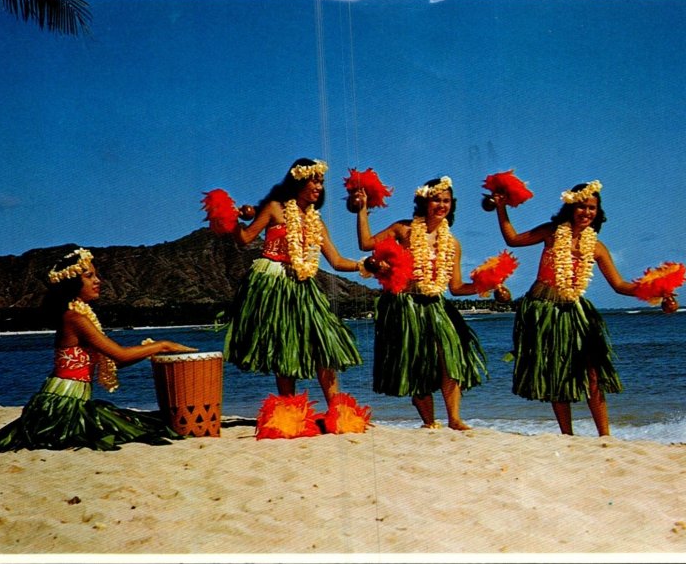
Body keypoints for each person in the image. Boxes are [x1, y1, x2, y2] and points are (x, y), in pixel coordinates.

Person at [0, 248, 196, 455]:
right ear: (73, 282)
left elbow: (115, 362)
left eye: (96, 274)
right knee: (138, 428)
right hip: (63, 404)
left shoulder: (78, 315)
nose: (98, 280)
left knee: (137, 424)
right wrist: (163, 345)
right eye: (89, 276)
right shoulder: (75, 318)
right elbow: (119, 355)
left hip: (69, 399)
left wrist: (146, 350)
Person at [491, 180, 637, 437]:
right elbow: (513, 240)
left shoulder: (597, 247)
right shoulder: (551, 231)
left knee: (593, 372)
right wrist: (501, 208)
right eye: (581, 207)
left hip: (575, 312)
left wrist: (655, 290)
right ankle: (567, 435)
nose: (587, 212)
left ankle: (605, 435)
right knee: (557, 375)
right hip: (542, 309)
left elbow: (619, 285)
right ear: (570, 208)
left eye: (592, 208)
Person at [223, 157, 366, 404]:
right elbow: (245, 238)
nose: (319, 187)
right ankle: (290, 410)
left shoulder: (316, 222)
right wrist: (231, 218)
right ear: (298, 181)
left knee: (325, 342)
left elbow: (337, 261)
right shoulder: (275, 208)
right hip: (273, 282)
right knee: (284, 346)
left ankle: (336, 409)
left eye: (321, 182)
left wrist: (366, 265)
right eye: (315, 181)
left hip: (303, 285)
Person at [353, 176, 487, 430]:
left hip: (436, 305)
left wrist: (484, 284)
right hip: (405, 305)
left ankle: (455, 418)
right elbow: (366, 244)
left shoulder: (453, 243)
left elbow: (456, 288)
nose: (441, 205)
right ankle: (429, 421)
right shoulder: (403, 230)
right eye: (436, 199)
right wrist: (362, 210)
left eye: (446, 200)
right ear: (424, 202)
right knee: (418, 362)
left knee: (450, 357)